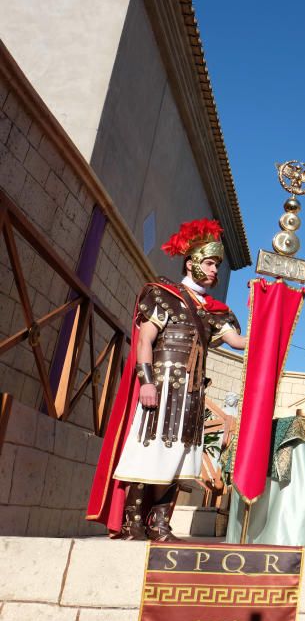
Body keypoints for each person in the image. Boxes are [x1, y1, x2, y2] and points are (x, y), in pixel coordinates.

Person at [86, 219, 246, 542]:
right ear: (192, 263)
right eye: (210, 263)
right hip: (160, 385)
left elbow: (238, 343)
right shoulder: (164, 295)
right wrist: (145, 381)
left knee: (176, 457)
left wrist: (273, 319)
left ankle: (159, 523)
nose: (215, 270)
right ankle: (133, 522)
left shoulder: (214, 312)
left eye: (217, 265)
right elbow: (145, 340)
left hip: (191, 393)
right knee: (150, 452)